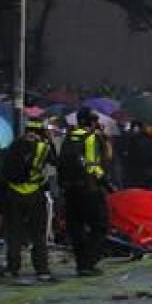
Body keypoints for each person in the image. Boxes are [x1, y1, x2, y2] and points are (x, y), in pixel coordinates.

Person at [59, 108, 111, 277]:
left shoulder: (69, 137)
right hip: (89, 189)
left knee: (76, 229)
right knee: (100, 227)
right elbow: (92, 165)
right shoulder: (91, 138)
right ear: (92, 121)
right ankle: (88, 263)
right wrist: (106, 182)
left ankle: (81, 263)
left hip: (70, 190)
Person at [2, 118, 56, 283]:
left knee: (14, 233)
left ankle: (12, 268)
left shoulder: (14, 145)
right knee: (38, 234)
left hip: (13, 193)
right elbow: (55, 161)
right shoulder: (43, 147)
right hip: (35, 193)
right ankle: (41, 269)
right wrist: (50, 140)